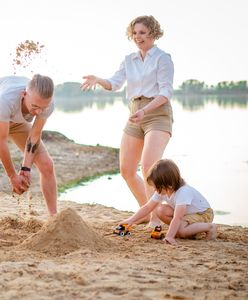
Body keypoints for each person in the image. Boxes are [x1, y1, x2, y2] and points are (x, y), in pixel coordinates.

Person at [81, 15, 174, 227]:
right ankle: (148, 212)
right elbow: (114, 84)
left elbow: (166, 92)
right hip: (135, 113)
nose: (137, 37)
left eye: (142, 32)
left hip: (158, 113)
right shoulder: (128, 59)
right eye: (134, 33)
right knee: (126, 170)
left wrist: (146, 110)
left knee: (150, 167)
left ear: (153, 33)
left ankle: (157, 219)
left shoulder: (163, 58)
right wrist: (98, 80)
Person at [119, 159, 217, 245]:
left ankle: (210, 227)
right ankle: (187, 230)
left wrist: (170, 236)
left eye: (156, 187)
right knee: (160, 210)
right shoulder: (162, 191)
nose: (154, 190)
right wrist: (131, 220)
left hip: (202, 214)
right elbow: (148, 207)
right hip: (187, 215)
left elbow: (177, 217)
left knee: (181, 230)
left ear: (168, 185)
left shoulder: (183, 192)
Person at [0, 74, 57, 215]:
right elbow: (1, 140)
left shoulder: (47, 104)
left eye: (42, 108)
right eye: (35, 106)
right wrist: (13, 176)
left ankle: (54, 217)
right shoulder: (5, 100)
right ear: (24, 94)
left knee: (47, 165)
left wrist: (26, 168)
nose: (38, 112)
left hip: (17, 124)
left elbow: (34, 136)